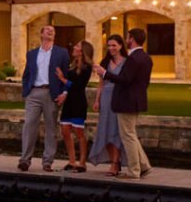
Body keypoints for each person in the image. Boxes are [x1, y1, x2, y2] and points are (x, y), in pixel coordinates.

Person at [94, 26, 153, 179]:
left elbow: (125, 79)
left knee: (128, 136)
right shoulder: (146, 57)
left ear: (131, 39)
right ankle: (144, 166)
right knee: (131, 134)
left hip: (127, 101)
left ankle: (134, 171)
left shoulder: (133, 58)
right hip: (137, 101)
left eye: (127, 37)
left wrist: (105, 73)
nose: (126, 39)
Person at [18, 24, 70, 172]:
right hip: (34, 92)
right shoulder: (32, 54)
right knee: (29, 125)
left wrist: (64, 92)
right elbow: (26, 74)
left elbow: (66, 75)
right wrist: (26, 90)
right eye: (47, 30)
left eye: (53, 30)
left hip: (51, 94)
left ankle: (47, 161)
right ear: (41, 34)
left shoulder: (62, 53)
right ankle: (25, 160)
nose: (51, 31)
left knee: (51, 128)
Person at [89, 35, 126, 176]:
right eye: (109, 45)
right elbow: (101, 84)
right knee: (105, 130)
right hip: (105, 99)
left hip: (119, 99)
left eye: (114, 45)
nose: (111, 48)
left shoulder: (127, 62)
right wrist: (97, 100)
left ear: (121, 46)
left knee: (116, 131)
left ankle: (116, 163)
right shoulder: (104, 63)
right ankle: (113, 162)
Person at [56, 39, 94, 171]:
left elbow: (78, 86)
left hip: (78, 102)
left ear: (82, 51)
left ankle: (82, 163)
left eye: (77, 46)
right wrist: (64, 92)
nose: (74, 47)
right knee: (65, 130)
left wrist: (63, 79)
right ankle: (72, 161)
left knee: (79, 132)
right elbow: (70, 85)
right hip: (69, 102)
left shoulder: (87, 67)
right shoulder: (72, 65)